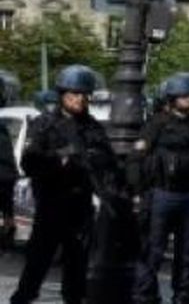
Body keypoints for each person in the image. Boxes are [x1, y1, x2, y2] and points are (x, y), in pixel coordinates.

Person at [11, 65, 112, 304]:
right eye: (74, 94)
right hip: (52, 205)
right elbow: (29, 162)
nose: (80, 99)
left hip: (81, 206)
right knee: (37, 265)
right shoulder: (44, 124)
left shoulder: (93, 127)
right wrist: (61, 157)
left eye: (84, 94)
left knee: (77, 269)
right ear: (62, 95)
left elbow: (108, 161)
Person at [133, 73, 189, 304]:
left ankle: (183, 290)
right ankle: (145, 293)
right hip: (163, 193)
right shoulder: (157, 124)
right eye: (184, 96)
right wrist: (138, 192)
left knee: (188, 249)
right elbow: (138, 158)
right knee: (153, 248)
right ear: (172, 99)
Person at [0, 71, 19, 250]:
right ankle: (8, 230)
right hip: (6, 174)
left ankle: (8, 230)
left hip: (5, 174)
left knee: (7, 207)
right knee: (7, 206)